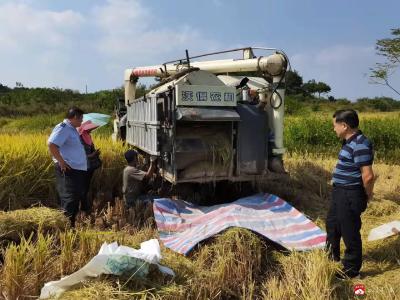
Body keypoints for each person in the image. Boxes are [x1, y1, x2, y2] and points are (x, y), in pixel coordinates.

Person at [326, 109, 375, 279]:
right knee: (332, 224)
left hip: (350, 193)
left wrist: (367, 195)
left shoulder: (360, 144)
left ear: (344, 126)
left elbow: (368, 175)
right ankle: (330, 258)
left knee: (349, 230)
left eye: (335, 125)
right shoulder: (350, 141)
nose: (334, 129)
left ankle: (351, 270)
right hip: (340, 191)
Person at [48, 107, 87, 227]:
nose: (81, 121)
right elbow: (51, 144)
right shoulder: (63, 128)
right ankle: (64, 229)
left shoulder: (72, 129)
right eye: (81, 119)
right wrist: (61, 162)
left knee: (74, 198)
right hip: (69, 170)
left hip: (76, 170)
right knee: (69, 199)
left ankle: (70, 226)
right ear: (75, 117)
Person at [78, 121, 102, 215]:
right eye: (90, 128)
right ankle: (83, 208)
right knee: (83, 188)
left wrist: (95, 151)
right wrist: (93, 155)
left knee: (86, 187)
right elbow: (80, 155)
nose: (92, 130)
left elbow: (90, 149)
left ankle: (85, 206)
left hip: (90, 166)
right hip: (83, 166)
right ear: (85, 128)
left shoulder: (88, 136)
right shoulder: (80, 137)